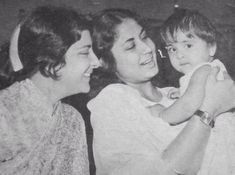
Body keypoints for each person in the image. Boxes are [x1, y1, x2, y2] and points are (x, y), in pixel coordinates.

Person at [87, 8, 235, 175]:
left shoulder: (174, 93)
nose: (147, 48)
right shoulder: (113, 100)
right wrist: (209, 109)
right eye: (131, 46)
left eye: (144, 37)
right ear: (107, 62)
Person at [0, 6, 100, 175]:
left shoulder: (72, 120)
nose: (96, 62)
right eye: (85, 53)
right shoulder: (4, 112)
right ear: (51, 59)